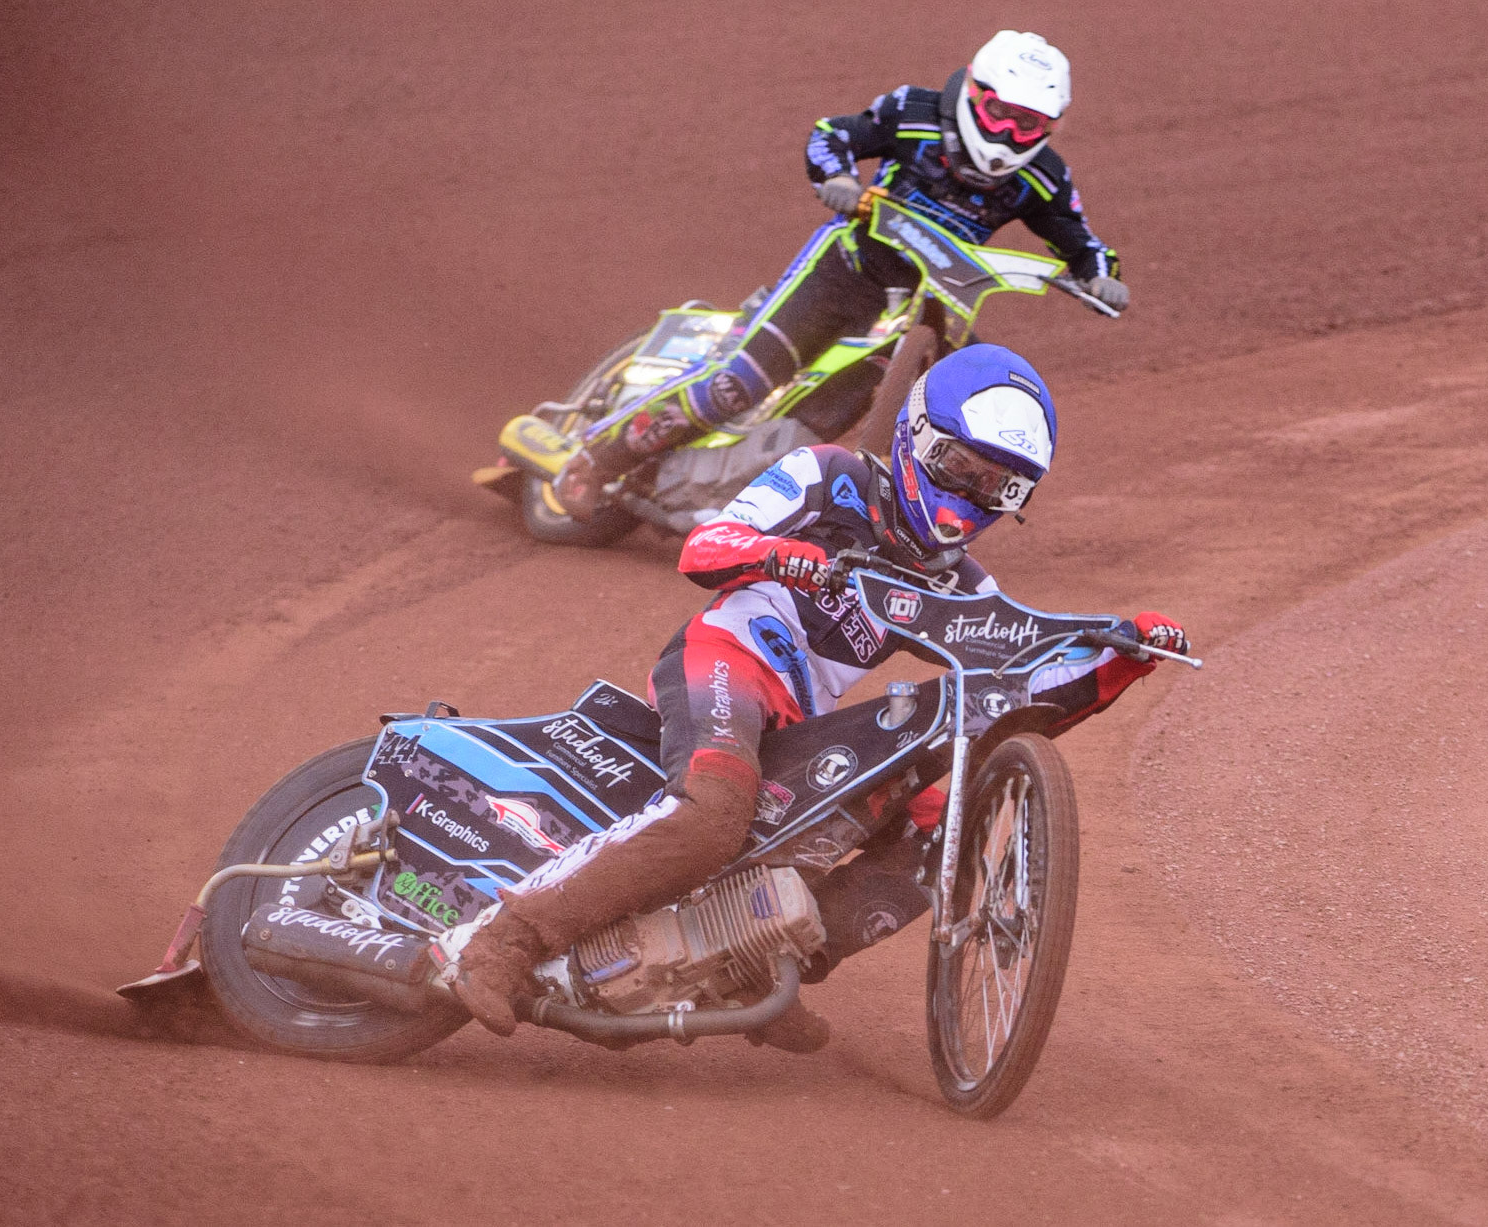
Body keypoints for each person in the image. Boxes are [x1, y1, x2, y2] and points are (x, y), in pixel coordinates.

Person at [433, 344, 1187, 1052]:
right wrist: (783, 556)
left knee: (939, 823)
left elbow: (1018, 689)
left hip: (800, 713)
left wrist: (1122, 659)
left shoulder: (962, 585)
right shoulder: (831, 477)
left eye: (1001, 487)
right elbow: (706, 546)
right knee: (715, 815)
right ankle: (505, 939)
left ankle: (753, 965)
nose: (971, 497)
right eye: (961, 467)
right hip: (725, 655)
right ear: (919, 436)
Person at [552, 29, 1128, 521]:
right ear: (973, 95)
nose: (1007, 135)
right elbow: (834, 134)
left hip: (931, 309)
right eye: (999, 113)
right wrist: (841, 180)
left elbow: (1082, 243)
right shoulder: (914, 112)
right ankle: (598, 457)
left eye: (1027, 124)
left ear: (1049, 127)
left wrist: (1102, 278)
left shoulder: (1044, 178)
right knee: (737, 384)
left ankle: (883, 520)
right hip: (844, 274)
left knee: (957, 411)